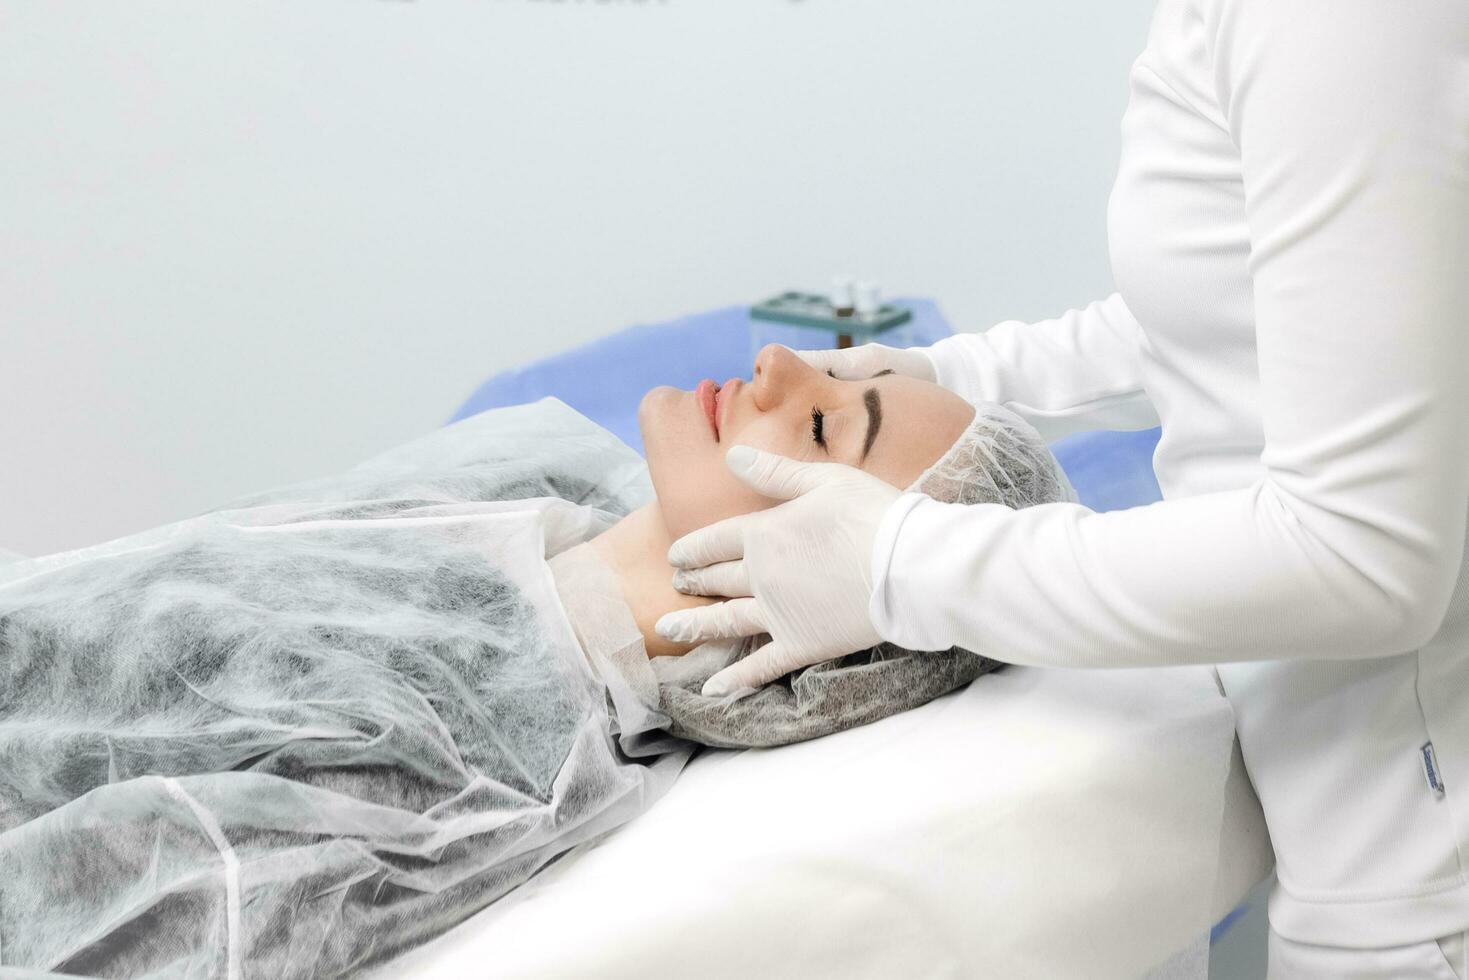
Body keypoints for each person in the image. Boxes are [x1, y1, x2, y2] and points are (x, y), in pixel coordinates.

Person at [655, 1, 1469, 977]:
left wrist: (899, 563)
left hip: (1411, 859)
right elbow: (1228, 299)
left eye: (831, 428)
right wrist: (939, 372)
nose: (778, 361)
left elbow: (1363, 554)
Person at [0, 350, 1070, 977]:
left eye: (828, 422)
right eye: (838, 361)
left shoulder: (471, 761)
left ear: (822, 625)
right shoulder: (536, 479)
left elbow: (110, 923)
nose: (778, 363)